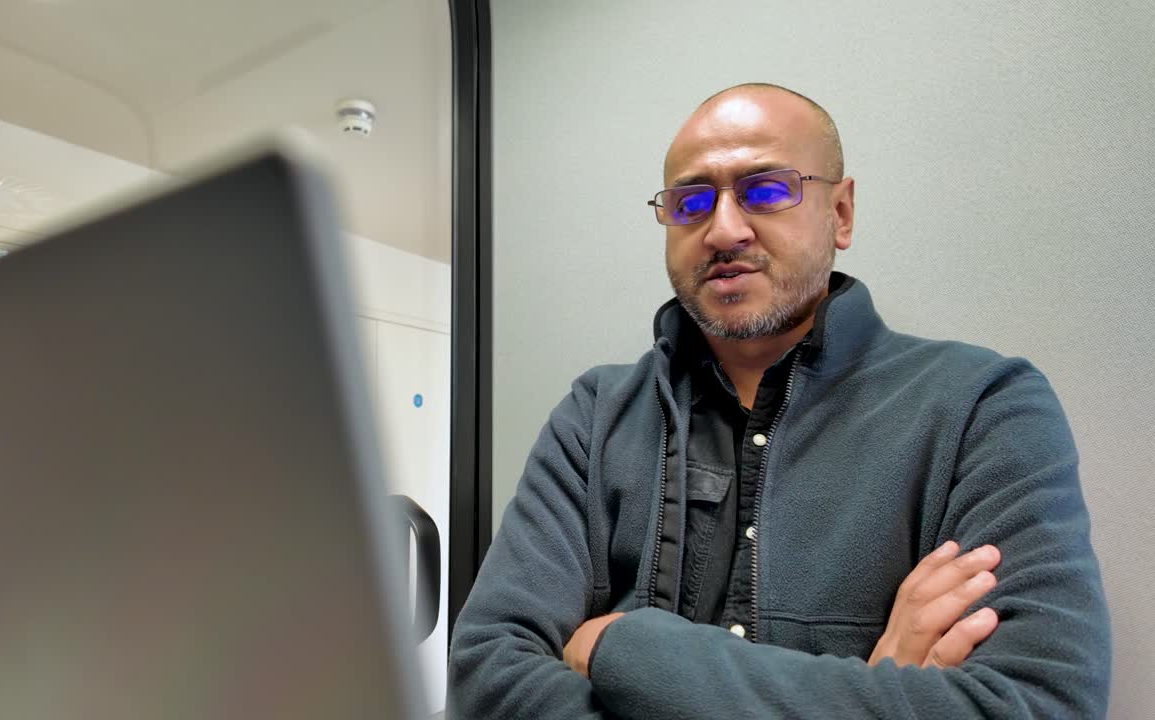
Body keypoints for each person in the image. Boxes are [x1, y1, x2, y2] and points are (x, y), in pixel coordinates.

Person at [446, 82, 1112, 719]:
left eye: (765, 190)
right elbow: (484, 680)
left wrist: (622, 649)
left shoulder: (981, 408)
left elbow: (1037, 703)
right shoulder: (596, 416)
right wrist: (873, 695)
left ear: (840, 212)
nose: (723, 229)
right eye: (690, 203)